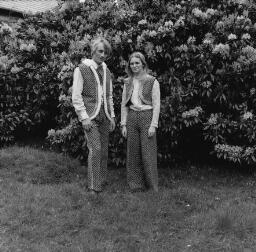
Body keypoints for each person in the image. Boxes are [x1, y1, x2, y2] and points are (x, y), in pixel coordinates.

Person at [72, 37, 115, 194]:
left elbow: (109, 96)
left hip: (104, 116)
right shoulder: (82, 69)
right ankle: (93, 187)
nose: (103, 55)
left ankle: (101, 181)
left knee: (103, 150)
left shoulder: (106, 70)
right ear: (93, 52)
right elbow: (76, 97)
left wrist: (112, 116)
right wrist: (84, 117)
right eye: (100, 51)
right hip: (90, 116)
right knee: (95, 149)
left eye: (106, 52)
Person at [121, 52, 160, 192]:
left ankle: (152, 186)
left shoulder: (152, 81)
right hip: (132, 116)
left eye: (137, 63)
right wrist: (123, 124)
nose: (134, 65)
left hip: (147, 116)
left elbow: (156, 104)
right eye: (132, 63)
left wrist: (153, 125)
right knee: (133, 153)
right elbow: (123, 104)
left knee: (148, 152)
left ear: (143, 64)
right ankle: (135, 185)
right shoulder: (128, 82)